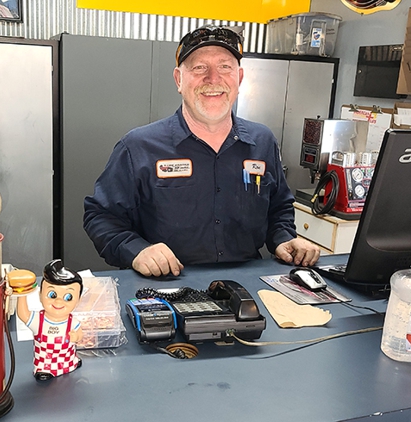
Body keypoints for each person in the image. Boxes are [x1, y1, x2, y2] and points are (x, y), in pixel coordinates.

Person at [84, 25, 320, 277]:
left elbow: (279, 207)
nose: (213, 78)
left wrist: (283, 239)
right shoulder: (138, 147)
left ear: (239, 78)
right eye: (199, 68)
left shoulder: (263, 142)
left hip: (248, 286)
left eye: (225, 67)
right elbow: (101, 216)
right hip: (165, 287)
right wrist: (137, 250)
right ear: (179, 79)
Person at [15, 259, 83, 382]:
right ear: (40, 295)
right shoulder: (39, 321)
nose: (58, 302)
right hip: (46, 364)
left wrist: (76, 337)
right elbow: (23, 314)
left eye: (68, 297)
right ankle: (44, 371)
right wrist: (22, 293)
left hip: (67, 359)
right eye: (52, 295)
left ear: (78, 300)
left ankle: (70, 364)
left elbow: (80, 334)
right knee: (45, 368)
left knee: (70, 359)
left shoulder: (72, 322)